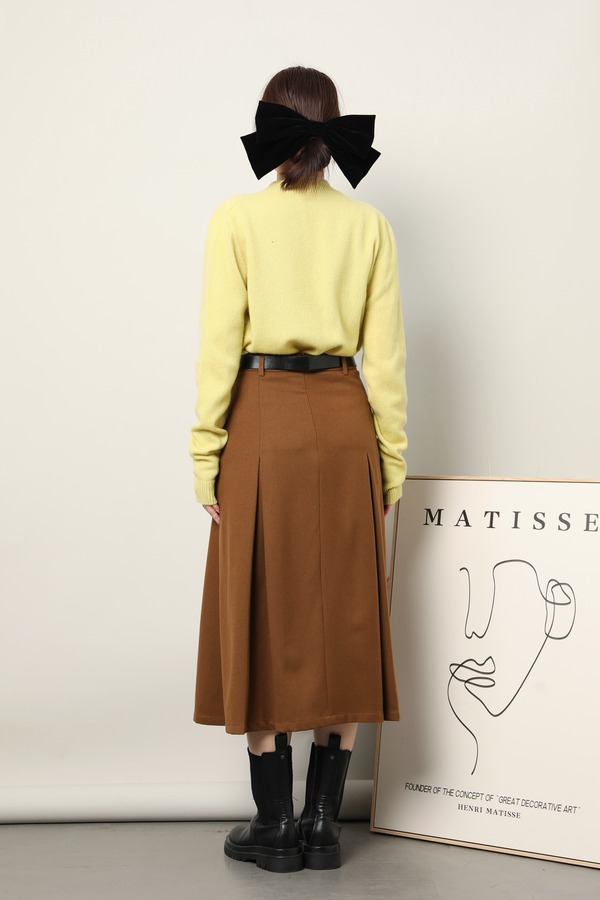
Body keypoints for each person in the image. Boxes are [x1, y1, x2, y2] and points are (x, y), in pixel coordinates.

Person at [188, 66, 408, 873]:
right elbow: (387, 359)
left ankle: (275, 824)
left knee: (261, 603)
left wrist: (206, 452)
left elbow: (219, 347)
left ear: (271, 126)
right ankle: (323, 824)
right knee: (346, 608)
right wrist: (391, 462)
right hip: (347, 420)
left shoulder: (236, 218)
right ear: (332, 127)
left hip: (263, 418)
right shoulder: (370, 225)